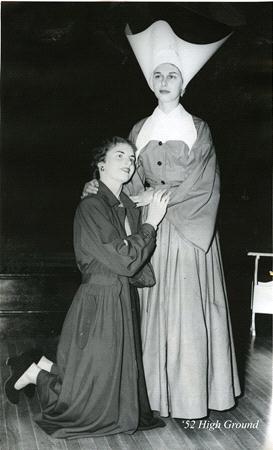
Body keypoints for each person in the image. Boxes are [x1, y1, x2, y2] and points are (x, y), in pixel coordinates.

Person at [82, 21, 241, 420]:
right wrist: (99, 189)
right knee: (150, 312)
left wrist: (161, 203)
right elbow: (127, 179)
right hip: (150, 228)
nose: (165, 80)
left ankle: (190, 398)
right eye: (158, 75)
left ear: (184, 84)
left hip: (188, 230)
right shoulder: (140, 129)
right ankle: (153, 397)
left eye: (172, 75)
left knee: (189, 313)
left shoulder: (198, 128)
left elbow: (207, 183)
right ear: (151, 84)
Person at [5, 136, 169, 438]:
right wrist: (152, 224)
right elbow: (124, 260)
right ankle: (35, 373)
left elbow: (163, 194)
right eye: (120, 156)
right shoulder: (92, 206)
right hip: (100, 298)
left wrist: (145, 203)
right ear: (101, 164)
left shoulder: (125, 205)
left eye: (132, 159)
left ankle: (37, 363)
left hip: (120, 298)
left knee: (102, 377)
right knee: (86, 403)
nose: (129, 163)